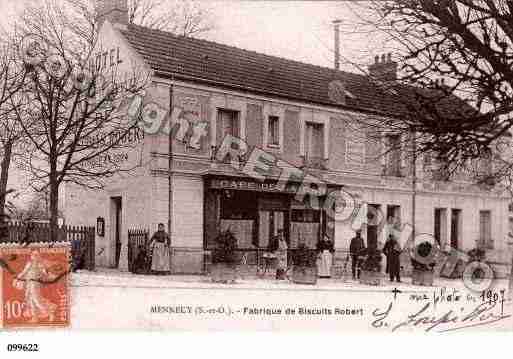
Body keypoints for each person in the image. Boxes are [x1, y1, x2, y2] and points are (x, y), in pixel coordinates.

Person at [15, 251, 58, 323]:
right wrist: (16, 279)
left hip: (35, 284)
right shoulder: (29, 264)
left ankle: (50, 313)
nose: (34, 256)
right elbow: (23, 272)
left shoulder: (40, 264)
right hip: (29, 284)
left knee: (37, 300)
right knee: (31, 300)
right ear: (31, 256)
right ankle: (35, 317)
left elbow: (45, 273)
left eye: (36, 255)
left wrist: (52, 275)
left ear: (38, 256)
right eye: (33, 254)